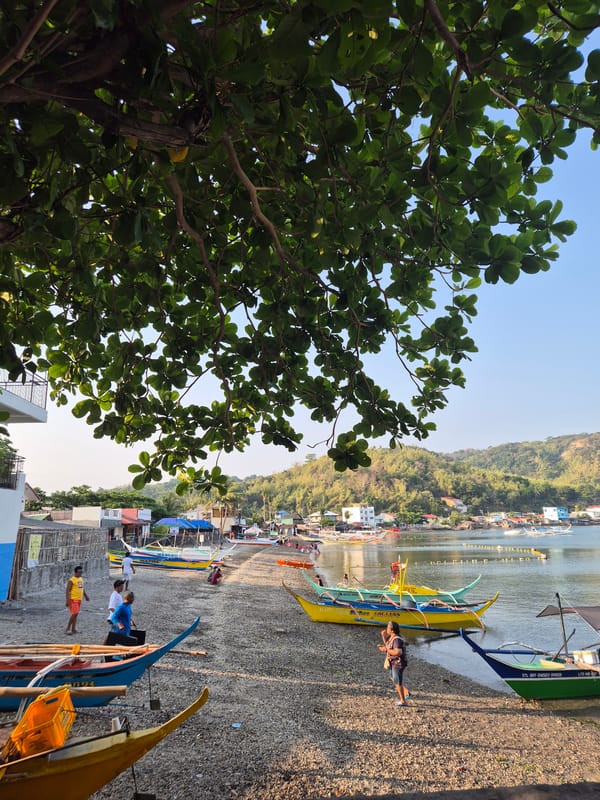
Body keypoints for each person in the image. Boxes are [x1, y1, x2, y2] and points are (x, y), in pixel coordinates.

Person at [378, 621, 408, 707]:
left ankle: (403, 701)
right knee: (393, 677)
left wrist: (386, 650)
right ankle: (405, 692)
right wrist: (383, 636)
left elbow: (398, 652)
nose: (386, 629)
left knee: (397, 681)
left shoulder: (397, 639)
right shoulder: (392, 637)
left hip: (398, 663)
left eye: (388, 628)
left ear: (392, 630)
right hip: (394, 662)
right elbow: (388, 645)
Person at [65, 565, 90, 635]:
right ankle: (68, 628)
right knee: (74, 613)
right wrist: (67, 600)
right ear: (75, 572)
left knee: (76, 614)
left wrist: (86, 596)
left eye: (81, 572)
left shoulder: (80, 579)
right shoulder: (72, 580)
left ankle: (73, 629)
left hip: (79, 599)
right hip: (73, 599)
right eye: (79, 572)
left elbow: (82, 588)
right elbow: (67, 590)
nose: (80, 573)